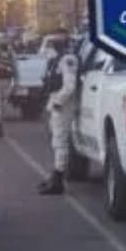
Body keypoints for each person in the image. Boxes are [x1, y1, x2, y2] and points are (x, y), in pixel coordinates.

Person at [37, 44, 80, 196]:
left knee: (60, 141)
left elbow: (70, 87)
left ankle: (58, 179)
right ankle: (55, 175)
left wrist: (58, 102)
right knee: (56, 140)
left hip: (63, 104)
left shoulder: (67, 59)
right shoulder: (58, 58)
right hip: (56, 101)